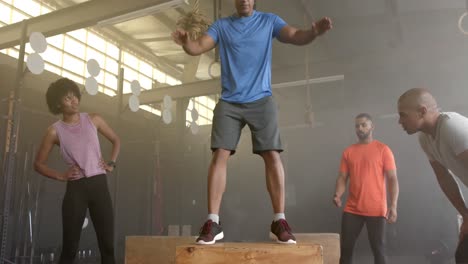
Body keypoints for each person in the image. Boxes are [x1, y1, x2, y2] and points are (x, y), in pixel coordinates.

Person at [172, 0, 332, 244]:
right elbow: (197, 47)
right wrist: (185, 43)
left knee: (272, 155)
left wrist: (313, 32)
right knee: (219, 155)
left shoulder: (269, 21)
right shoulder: (222, 26)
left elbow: (296, 36)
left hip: (261, 99)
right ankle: (213, 222)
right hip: (230, 102)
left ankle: (279, 221)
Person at [34, 78, 120, 264]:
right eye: (67, 98)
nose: (74, 101)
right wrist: (60, 176)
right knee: (69, 249)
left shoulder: (93, 119)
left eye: (75, 97)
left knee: (108, 247)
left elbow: (116, 140)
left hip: (99, 186)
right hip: (76, 189)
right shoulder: (54, 131)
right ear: (58, 103)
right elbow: (38, 164)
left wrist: (111, 163)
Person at [398, 88, 468, 264]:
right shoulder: (425, 139)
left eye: (403, 115)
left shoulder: (452, 127)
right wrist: (465, 215)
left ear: (422, 111)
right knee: (463, 255)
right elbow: (445, 179)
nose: (400, 121)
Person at [333, 113, 399, 264]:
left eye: (363, 124)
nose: (360, 128)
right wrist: (338, 194)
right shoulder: (348, 152)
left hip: (376, 209)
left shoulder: (383, 150)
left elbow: (393, 179)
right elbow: (343, 177)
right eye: (357, 125)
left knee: (379, 251)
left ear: (372, 127)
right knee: (346, 251)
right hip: (352, 209)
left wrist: (393, 205)